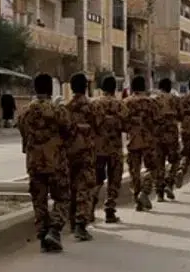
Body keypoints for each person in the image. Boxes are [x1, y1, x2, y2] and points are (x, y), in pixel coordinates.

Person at [18, 73, 72, 253]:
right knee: (62, 197)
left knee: (39, 200)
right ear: (50, 89)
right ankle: (54, 230)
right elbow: (68, 131)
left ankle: (42, 236)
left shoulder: (24, 112)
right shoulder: (58, 111)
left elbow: (23, 135)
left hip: (34, 162)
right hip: (56, 161)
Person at [63, 73, 99, 242]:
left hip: (69, 153)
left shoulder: (66, 108)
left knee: (71, 187)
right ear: (86, 87)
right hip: (86, 153)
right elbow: (98, 127)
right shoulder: (92, 108)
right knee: (84, 188)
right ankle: (80, 224)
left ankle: (71, 222)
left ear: (71, 88)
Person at [93, 75, 127, 224]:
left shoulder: (95, 104)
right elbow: (126, 126)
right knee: (114, 179)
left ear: (102, 88)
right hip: (115, 149)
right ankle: (110, 209)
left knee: (97, 179)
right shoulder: (120, 105)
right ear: (114, 89)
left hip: (98, 149)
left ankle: (90, 206)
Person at [124, 76, 162, 210]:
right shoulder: (151, 103)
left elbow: (122, 123)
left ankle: (137, 199)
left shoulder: (126, 102)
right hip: (149, 141)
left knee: (134, 171)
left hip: (133, 141)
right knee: (152, 168)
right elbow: (158, 120)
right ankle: (144, 192)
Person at [155, 78, 183, 199]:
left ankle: (159, 193)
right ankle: (169, 182)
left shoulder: (154, 100)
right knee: (175, 160)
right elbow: (181, 116)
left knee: (159, 163)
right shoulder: (175, 99)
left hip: (157, 134)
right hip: (171, 134)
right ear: (170, 87)